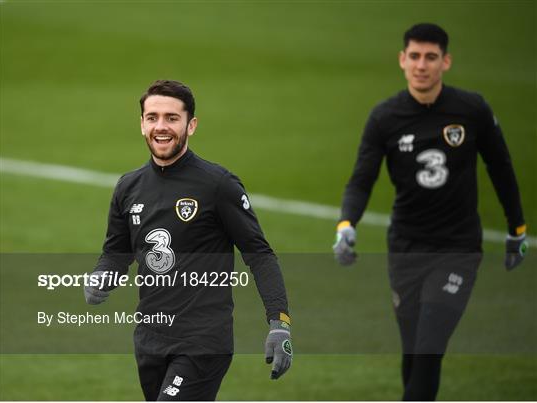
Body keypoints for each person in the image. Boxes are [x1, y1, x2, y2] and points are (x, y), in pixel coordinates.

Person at [333, 23, 528, 401]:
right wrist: (346, 225)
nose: (422, 65)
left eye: (431, 57)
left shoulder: (472, 110)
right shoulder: (384, 118)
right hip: (405, 248)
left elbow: (501, 168)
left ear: (446, 61)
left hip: (457, 248)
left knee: (428, 346)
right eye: (415, 56)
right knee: (414, 349)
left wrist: (516, 228)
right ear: (402, 60)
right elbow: (361, 180)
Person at [84, 80, 292, 401]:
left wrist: (279, 322)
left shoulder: (218, 185)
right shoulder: (128, 187)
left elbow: (259, 254)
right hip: (149, 339)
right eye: (152, 117)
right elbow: (116, 252)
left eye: (171, 118)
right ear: (141, 124)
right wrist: (102, 275)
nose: (161, 126)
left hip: (202, 341)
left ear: (191, 125)